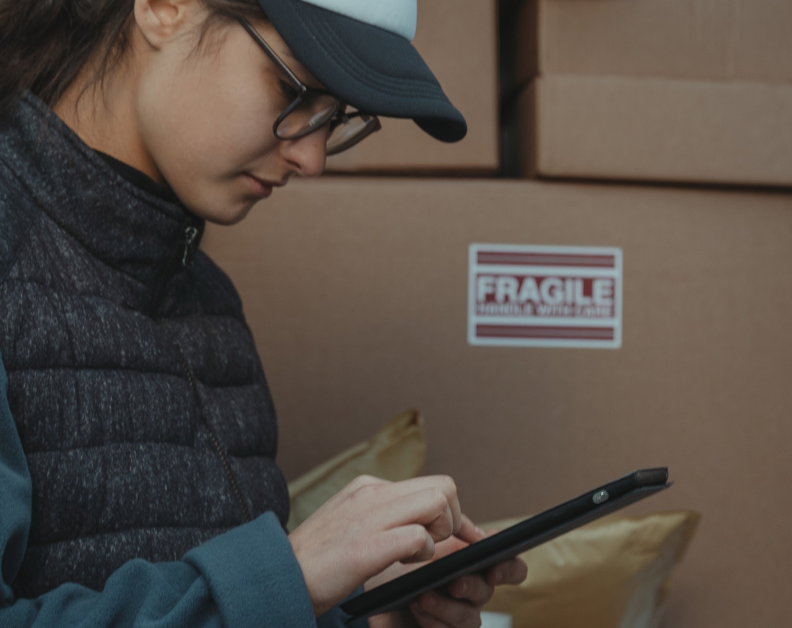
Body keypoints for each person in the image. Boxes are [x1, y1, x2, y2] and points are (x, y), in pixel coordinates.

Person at [0, 0, 527, 626]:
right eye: (292, 88)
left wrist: (360, 607)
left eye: (336, 116)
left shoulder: (211, 307)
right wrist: (290, 577)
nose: (313, 159)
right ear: (164, 8)